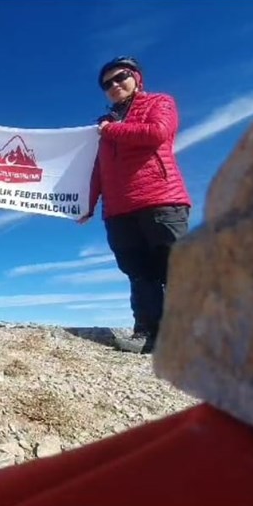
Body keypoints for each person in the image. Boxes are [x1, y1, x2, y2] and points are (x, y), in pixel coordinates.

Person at [78, 56, 191, 354]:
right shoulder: (104, 126)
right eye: (107, 84)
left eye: (121, 78)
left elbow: (157, 133)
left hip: (161, 200)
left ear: (137, 78)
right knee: (139, 273)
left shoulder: (158, 103)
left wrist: (110, 130)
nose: (114, 85)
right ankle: (147, 333)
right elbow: (98, 170)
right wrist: (87, 205)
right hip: (118, 210)